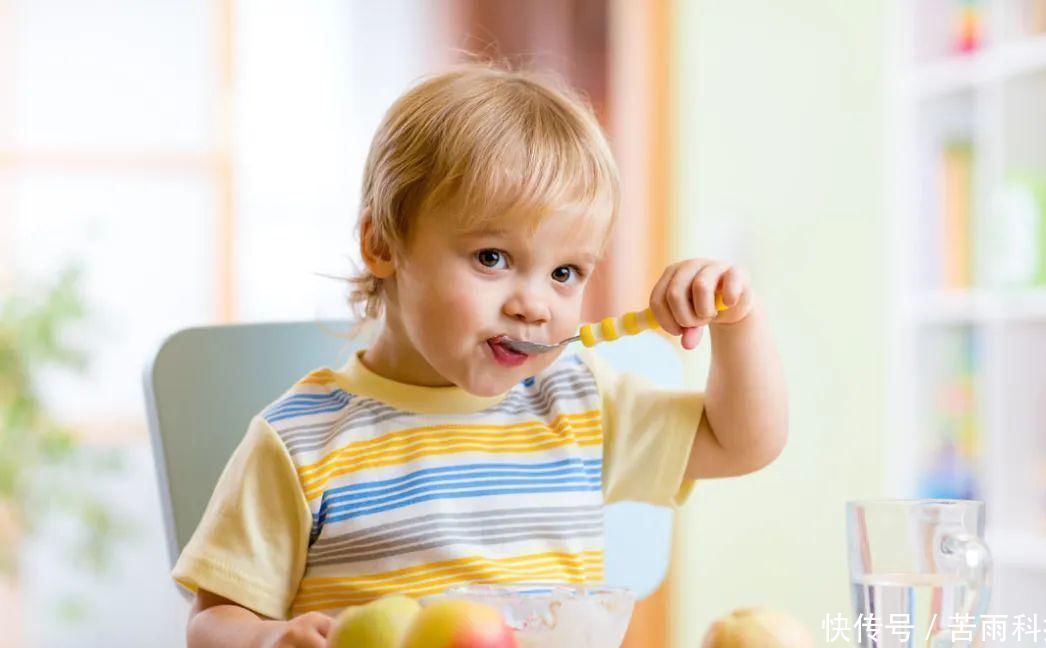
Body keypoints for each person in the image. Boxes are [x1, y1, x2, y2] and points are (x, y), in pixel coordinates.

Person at [176, 63, 788, 648]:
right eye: (492, 258)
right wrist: (267, 636)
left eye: (565, 272)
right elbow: (213, 623)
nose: (534, 304)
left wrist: (738, 322)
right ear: (382, 243)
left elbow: (742, 441)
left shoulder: (576, 401)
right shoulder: (301, 441)